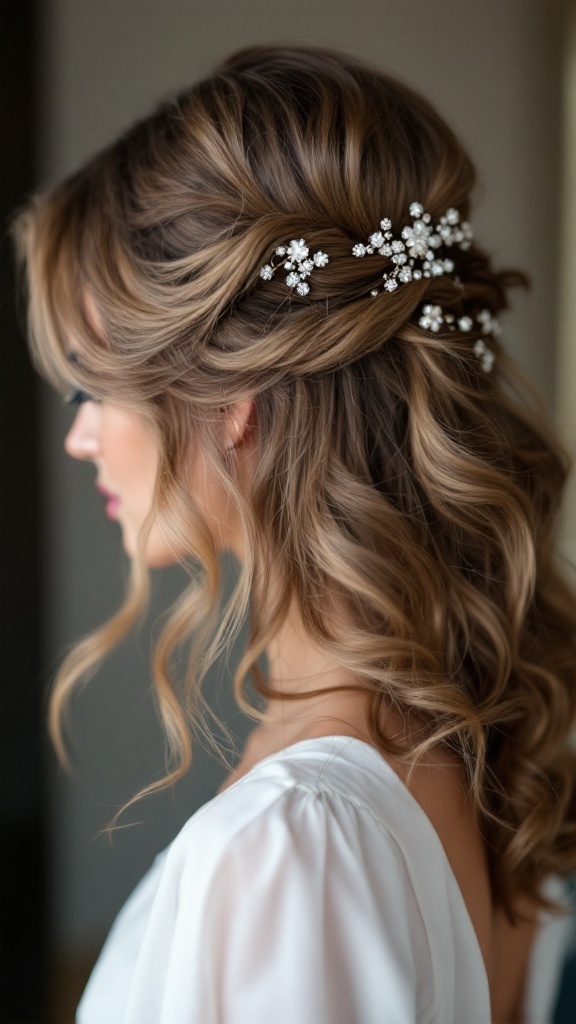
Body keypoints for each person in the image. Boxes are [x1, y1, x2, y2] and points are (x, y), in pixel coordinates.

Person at [13, 44, 576, 1024]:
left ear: (232, 397)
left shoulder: (294, 849)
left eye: (91, 381)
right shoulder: (482, 749)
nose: (80, 434)